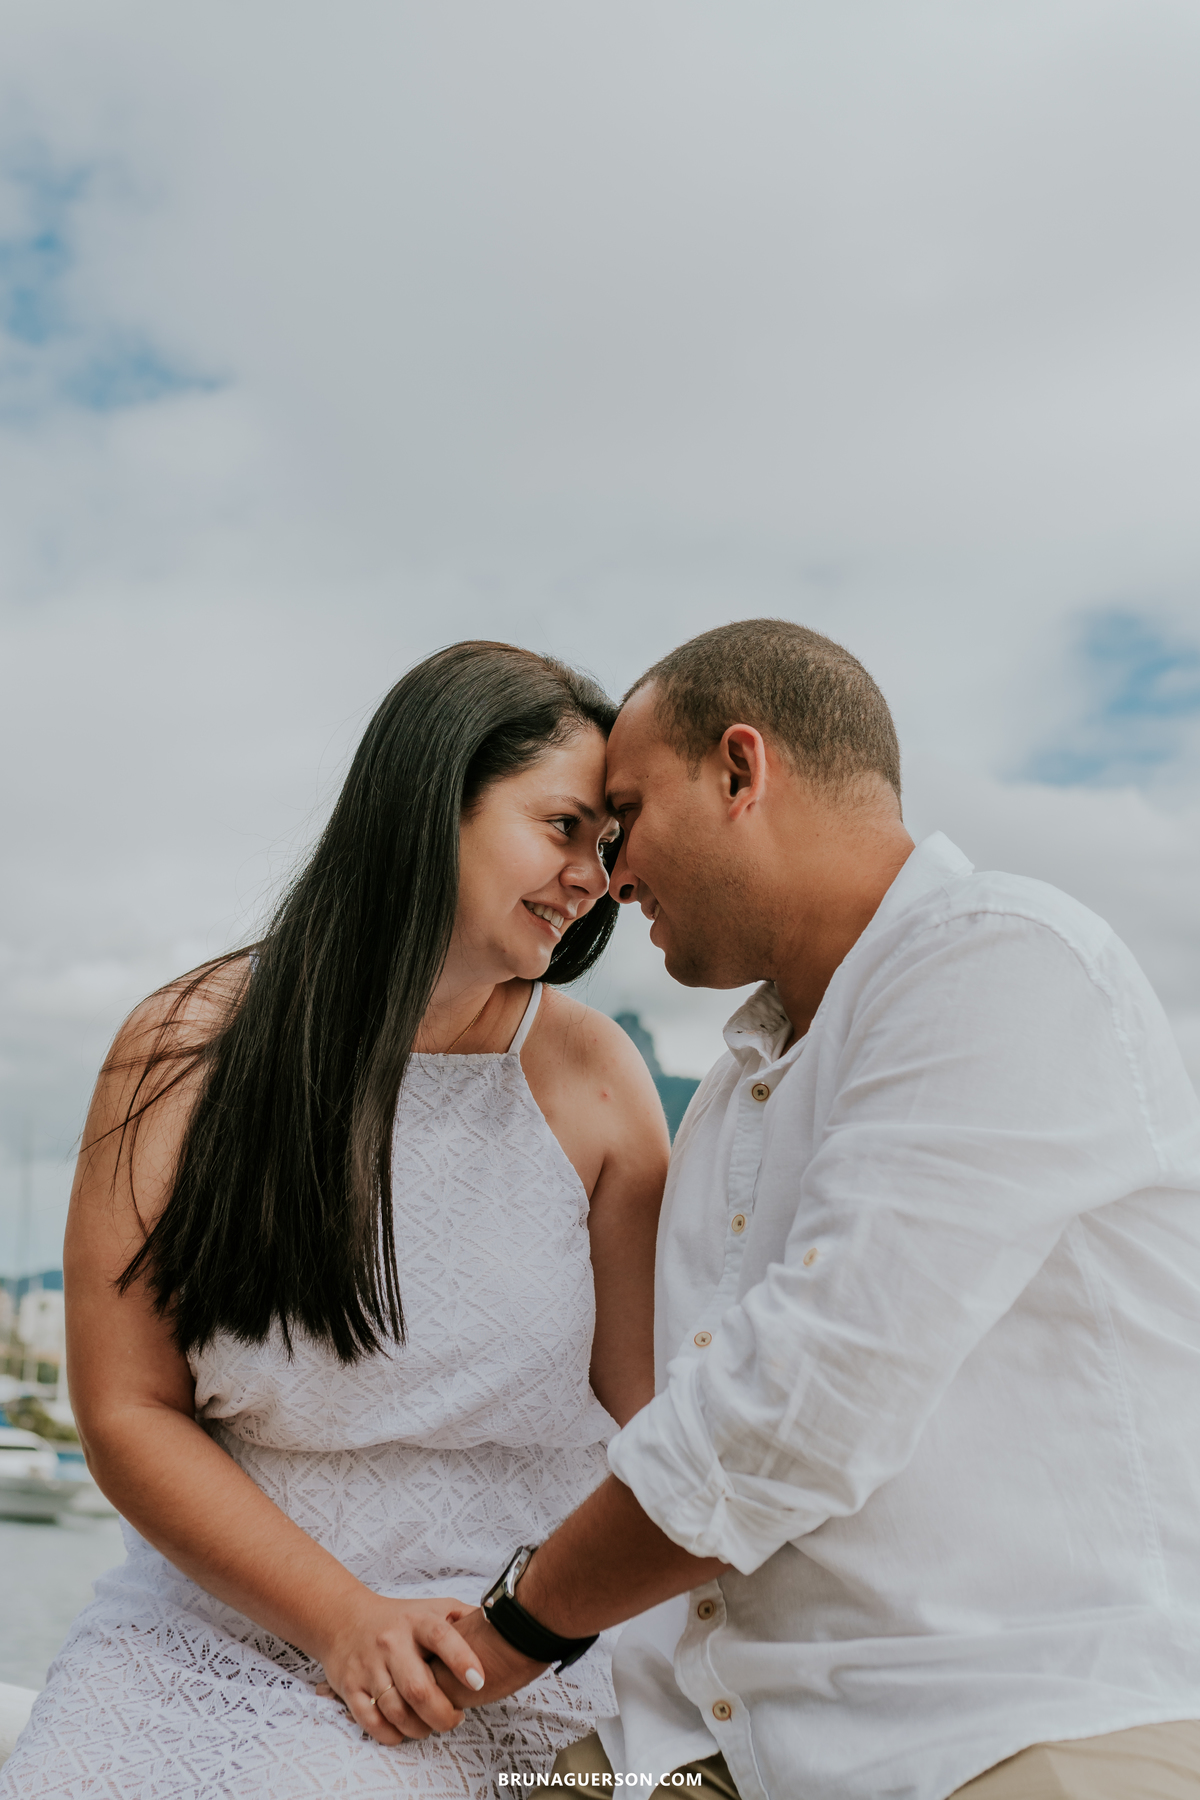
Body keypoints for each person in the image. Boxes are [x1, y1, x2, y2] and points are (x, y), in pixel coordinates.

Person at [432, 619, 1200, 1800]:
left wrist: (518, 1627)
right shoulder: (727, 1100)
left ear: (741, 771)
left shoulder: (1002, 955)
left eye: (626, 816)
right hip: (742, 1741)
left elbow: (805, 1397)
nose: (611, 879)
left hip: (1024, 1718)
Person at [0, 642, 669, 1800]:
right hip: (208, 1626)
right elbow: (127, 1408)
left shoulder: (597, 1080)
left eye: (608, 847)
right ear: (430, 801)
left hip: (496, 1650)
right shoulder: (182, 1050)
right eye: (564, 828)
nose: (593, 878)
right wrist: (342, 1618)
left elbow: (654, 1414)